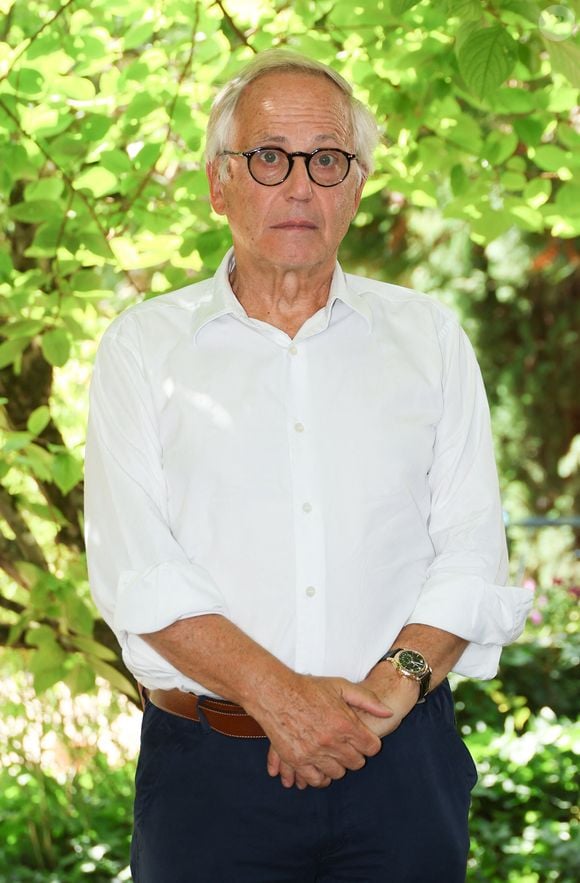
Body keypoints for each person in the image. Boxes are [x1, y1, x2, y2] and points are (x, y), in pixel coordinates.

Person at [84, 50, 532, 882]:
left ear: (356, 186)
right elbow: (136, 571)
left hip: (401, 768)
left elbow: (472, 546)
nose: (299, 185)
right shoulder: (143, 349)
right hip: (211, 781)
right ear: (221, 183)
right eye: (268, 157)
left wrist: (389, 691)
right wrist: (281, 700)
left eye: (327, 160)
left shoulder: (428, 338)